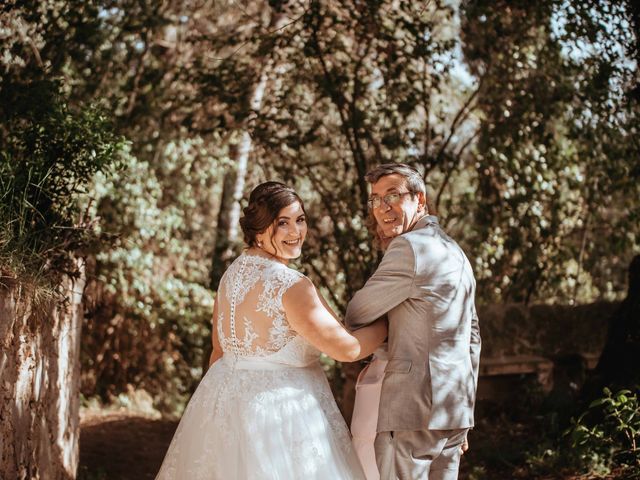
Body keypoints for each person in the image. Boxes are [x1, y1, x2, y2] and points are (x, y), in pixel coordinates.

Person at [156, 181, 387, 480]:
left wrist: (214, 419)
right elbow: (347, 349)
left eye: (300, 220)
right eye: (283, 223)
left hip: (222, 407)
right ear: (258, 229)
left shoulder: (231, 275)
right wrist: (387, 322)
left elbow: (218, 351)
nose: (296, 232)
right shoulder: (290, 285)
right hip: (282, 420)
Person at [345, 163, 481, 480]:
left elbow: (357, 313)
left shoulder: (409, 247)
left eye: (393, 195)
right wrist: (465, 412)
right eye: (376, 199)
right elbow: (472, 336)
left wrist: (388, 325)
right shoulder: (456, 251)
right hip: (453, 411)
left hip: (412, 410)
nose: (383, 208)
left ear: (420, 200)